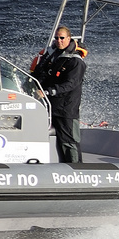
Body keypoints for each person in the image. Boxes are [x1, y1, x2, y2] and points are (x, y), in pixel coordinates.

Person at [33, 27, 86, 164]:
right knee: (54, 140)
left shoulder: (76, 61)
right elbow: (40, 73)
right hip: (51, 105)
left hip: (66, 107)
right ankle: (58, 166)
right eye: (56, 38)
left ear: (69, 39)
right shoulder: (52, 55)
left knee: (69, 141)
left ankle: (77, 169)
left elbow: (71, 84)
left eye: (62, 38)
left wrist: (48, 91)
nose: (59, 41)